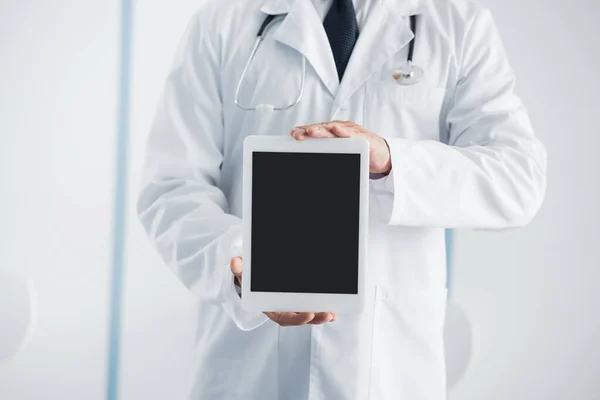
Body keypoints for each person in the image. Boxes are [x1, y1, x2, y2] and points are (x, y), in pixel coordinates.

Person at [137, 0, 547, 398]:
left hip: (389, 372)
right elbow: (172, 187)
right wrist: (247, 269)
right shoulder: (223, 22)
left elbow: (517, 178)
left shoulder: (457, 23)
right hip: (252, 372)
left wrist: (392, 162)